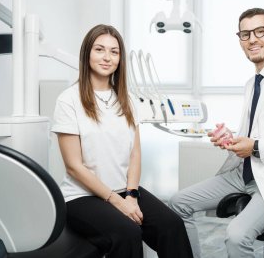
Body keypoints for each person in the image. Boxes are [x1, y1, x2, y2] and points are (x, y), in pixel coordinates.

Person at [169, 8, 264, 258]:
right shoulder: (252, 83)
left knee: (237, 235)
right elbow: (259, 132)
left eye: (260, 31)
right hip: (243, 174)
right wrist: (230, 138)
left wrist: (254, 146)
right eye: (245, 34)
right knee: (179, 203)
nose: (252, 39)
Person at [52, 24, 193, 258]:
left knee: (172, 225)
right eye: (99, 49)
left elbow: (135, 154)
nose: (107, 57)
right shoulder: (69, 100)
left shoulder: (126, 99)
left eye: (114, 51)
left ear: (120, 58)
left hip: (124, 191)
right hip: (82, 197)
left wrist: (132, 195)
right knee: (127, 233)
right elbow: (73, 166)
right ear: (87, 53)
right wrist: (118, 202)